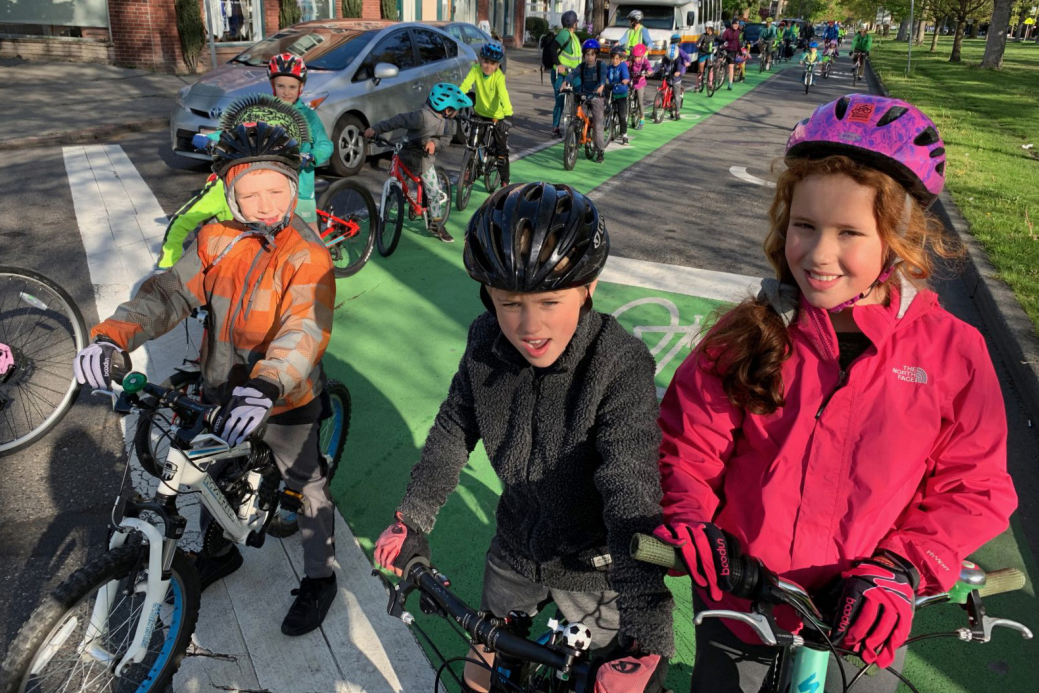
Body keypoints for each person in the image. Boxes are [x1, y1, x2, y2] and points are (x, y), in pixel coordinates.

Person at [653, 94, 1017, 692]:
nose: (819, 254)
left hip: (863, 625)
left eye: (849, 232)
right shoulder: (746, 335)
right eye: (805, 226)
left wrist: (903, 566)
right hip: (742, 609)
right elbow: (686, 447)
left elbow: (973, 485)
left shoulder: (953, 352)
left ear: (896, 239)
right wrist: (692, 520)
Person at [373, 182, 675, 693]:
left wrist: (646, 631)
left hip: (594, 567)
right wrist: (412, 517)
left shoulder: (619, 364)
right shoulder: (485, 341)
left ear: (588, 288)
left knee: (599, 677)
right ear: (488, 296)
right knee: (480, 664)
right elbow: (453, 429)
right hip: (516, 546)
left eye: (550, 301)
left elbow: (630, 488)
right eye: (510, 303)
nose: (530, 326)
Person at [73, 122, 341, 636]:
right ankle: (219, 552)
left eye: (276, 190)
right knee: (214, 473)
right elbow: (169, 294)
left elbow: (304, 328)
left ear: (293, 187)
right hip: (221, 386)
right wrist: (112, 338)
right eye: (249, 194)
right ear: (230, 193)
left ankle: (319, 577)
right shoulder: (217, 238)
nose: (264, 205)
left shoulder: (307, 255)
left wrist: (268, 383)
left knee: (307, 485)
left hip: (283, 397)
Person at [157, 53, 332, 269]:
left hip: (299, 184)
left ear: (301, 88)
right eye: (281, 86)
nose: (286, 92)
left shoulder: (309, 117)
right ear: (273, 86)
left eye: (292, 87)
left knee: (310, 236)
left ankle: (323, 270)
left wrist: (312, 155)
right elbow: (237, 131)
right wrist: (210, 137)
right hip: (262, 177)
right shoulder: (263, 111)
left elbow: (325, 144)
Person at [363, 83, 471, 243]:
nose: (456, 113)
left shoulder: (448, 123)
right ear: (447, 110)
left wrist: (434, 143)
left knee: (433, 191)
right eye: (455, 110)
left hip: (424, 160)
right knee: (398, 187)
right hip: (407, 155)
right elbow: (398, 120)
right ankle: (386, 215)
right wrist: (376, 129)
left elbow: (446, 139)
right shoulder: (422, 117)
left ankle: (437, 224)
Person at [460, 41, 513, 186]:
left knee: (501, 150)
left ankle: (505, 181)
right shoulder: (475, 70)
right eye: (486, 61)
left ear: (497, 65)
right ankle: (469, 170)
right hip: (480, 112)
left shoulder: (499, 77)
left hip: (497, 116)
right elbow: (465, 86)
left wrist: (508, 115)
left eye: (492, 63)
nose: (488, 66)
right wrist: (454, 102)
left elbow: (503, 95)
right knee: (472, 143)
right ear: (480, 59)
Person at [562, 39, 607, 163]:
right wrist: (566, 81)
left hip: (597, 96)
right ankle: (577, 134)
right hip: (585, 95)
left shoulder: (601, 65)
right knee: (578, 115)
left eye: (592, 54)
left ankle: (600, 150)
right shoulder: (582, 66)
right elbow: (573, 74)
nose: (589, 57)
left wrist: (602, 86)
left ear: (596, 55)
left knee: (597, 124)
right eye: (587, 54)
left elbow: (603, 76)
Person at [547, 10, 582, 137]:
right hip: (561, 74)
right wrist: (559, 64)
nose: (577, 23)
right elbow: (552, 49)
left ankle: (578, 122)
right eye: (576, 21)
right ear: (572, 23)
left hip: (573, 74)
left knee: (581, 94)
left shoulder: (574, 37)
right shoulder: (564, 34)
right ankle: (555, 127)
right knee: (560, 100)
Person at [606, 45, 631, 145]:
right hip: (611, 92)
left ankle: (624, 135)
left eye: (617, 58)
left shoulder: (623, 66)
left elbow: (625, 76)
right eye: (613, 58)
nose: (614, 60)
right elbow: (604, 74)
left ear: (621, 59)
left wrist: (625, 80)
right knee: (606, 110)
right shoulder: (610, 67)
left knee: (622, 115)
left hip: (621, 94)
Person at [660, 33, 692, 103]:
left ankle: (679, 90)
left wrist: (688, 62)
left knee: (676, 82)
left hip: (679, 69)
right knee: (668, 80)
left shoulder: (679, 51)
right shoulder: (670, 50)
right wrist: (662, 66)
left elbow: (686, 57)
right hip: (670, 67)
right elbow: (665, 58)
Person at [628, 43, 652, 130]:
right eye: (635, 57)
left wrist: (649, 71)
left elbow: (648, 67)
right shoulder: (631, 60)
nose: (636, 59)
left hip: (639, 83)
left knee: (640, 102)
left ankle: (642, 119)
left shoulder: (644, 61)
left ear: (642, 56)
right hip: (630, 81)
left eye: (638, 57)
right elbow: (626, 64)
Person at [720, 18, 742, 89]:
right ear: (732, 24)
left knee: (731, 66)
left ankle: (730, 83)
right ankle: (714, 76)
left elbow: (738, 42)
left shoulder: (738, 32)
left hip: (733, 51)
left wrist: (740, 51)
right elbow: (722, 40)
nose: (736, 26)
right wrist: (722, 46)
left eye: (737, 24)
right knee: (719, 61)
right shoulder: (727, 31)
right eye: (735, 24)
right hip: (726, 49)